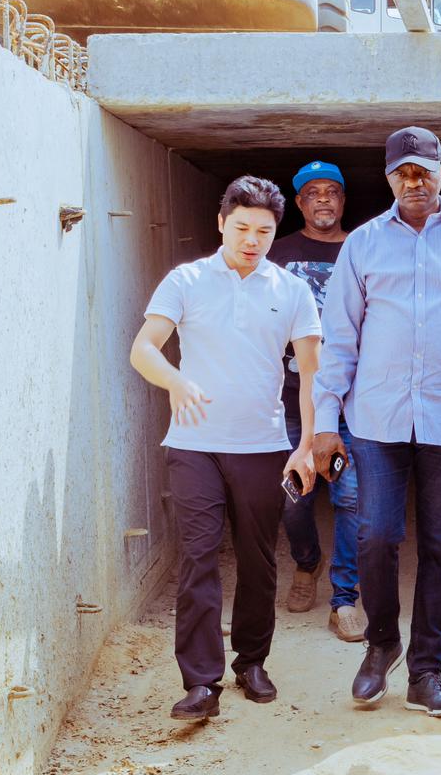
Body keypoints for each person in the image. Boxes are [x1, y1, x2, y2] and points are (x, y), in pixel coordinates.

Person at [296, 127, 441, 719]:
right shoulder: (365, 245)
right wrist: (325, 424)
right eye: (403, 173)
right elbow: (339, 338)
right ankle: (381, 644)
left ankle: (427, 671)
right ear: (389, 178)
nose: (414, 182)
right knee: (375, 537)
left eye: (424, 171)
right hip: (375, 418)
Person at [128, 176, 321, 721]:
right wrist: (175, 381)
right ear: (221, 223)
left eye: (264, 231)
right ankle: (200, 682)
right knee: (198, 556)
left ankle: (252, 662)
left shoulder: (291, 290)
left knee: (259, 559)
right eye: (241, 227)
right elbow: (144, 348)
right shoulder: (186, 280)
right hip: (193, 446)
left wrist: (304, 446)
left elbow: (312, 377)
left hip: (262, 445)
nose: (252, 239)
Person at [271, 159, 366, 639]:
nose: (323, 199)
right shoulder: (277, 252)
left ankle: (345, 595)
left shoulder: (363, 247)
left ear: (344, 200)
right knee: (294, 498)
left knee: (350, 498)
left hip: (352, 403)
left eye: (332, 190)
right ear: (300, 203)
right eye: (312, 192)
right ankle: (306, 563)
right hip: (292, 400)